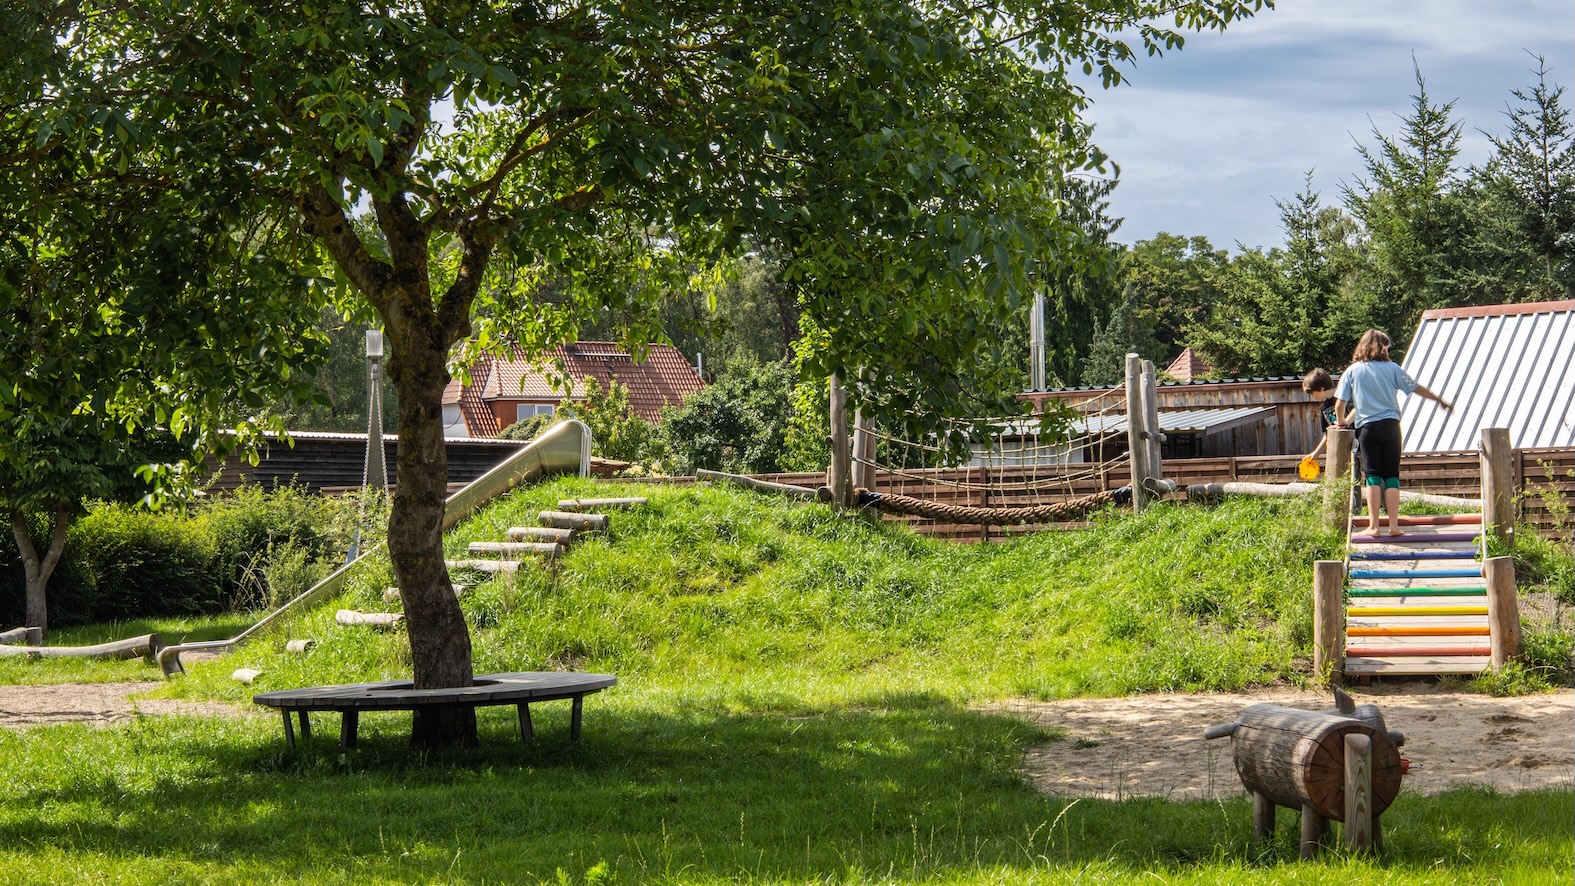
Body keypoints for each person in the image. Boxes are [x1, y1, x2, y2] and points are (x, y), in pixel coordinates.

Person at [1334, 329, 1453, 537]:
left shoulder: (1352, 371)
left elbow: (1339, 406)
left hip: (1368, 429)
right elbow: (1416, 388)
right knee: (1391, 476)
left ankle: (1373, 527)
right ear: (1381, 347)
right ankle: (1393, 526)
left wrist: (1342, 422)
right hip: (1391, 427)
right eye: (1386, 346)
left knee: (1372, 476)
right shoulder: (1392, 369)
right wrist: (1439, 400)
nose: (1387, 350)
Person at [1301, 368, 1340, 463]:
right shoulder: (1324, 407)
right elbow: (1328, 433)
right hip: (1339, 448)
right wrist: (1316, 452)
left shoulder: (1343, 397)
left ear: (1321, 388)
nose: (1312, 397)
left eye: (1313, 393)